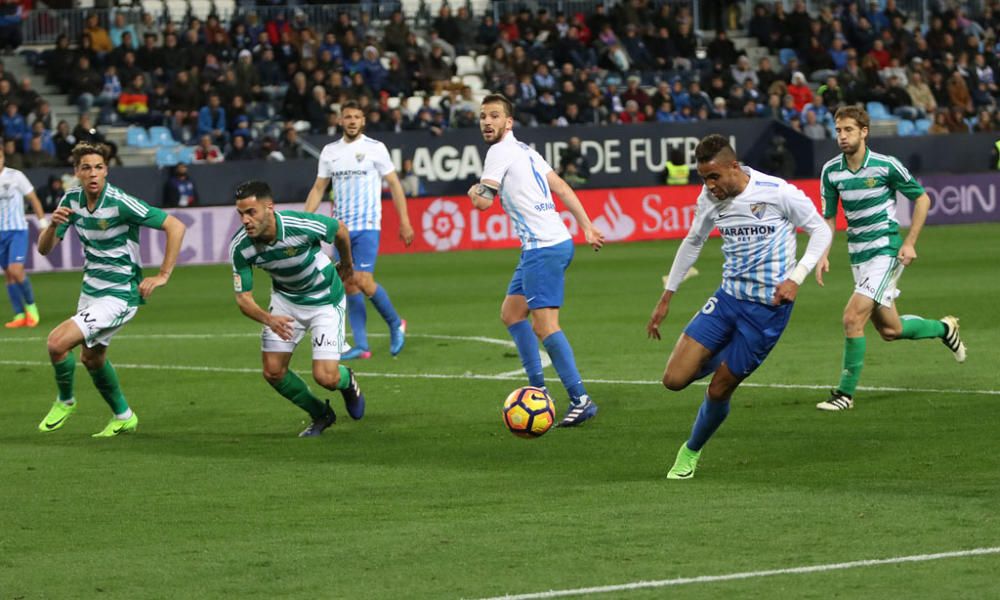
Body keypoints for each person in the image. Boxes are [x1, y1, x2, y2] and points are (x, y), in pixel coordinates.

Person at [646, 134, 832, 479]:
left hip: (766, 311)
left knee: (718, 389)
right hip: (728, 298)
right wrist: (667, 296)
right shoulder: (709, 198)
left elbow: (820, 230)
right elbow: (693, 241)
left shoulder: (777, 191)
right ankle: (722, 353)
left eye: (714, 176)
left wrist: (796, 277)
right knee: (673, 380)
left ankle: (690, 452)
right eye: (703, 178)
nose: (709, 185)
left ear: (735, 167)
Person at [815, 107, 966, 411]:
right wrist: (823, 253)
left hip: (885, 252)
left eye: (848, 130)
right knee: (890, 331)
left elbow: (922, 198)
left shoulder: (886, 166)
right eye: (838, 130)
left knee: (851, 318)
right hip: (858, 257)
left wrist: (909, 242)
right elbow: (829, 218)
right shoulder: (832, 171)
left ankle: (844, 394)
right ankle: (944, 329)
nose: (842, 136)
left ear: (864, 132)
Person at [468, 94, 605, 427]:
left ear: (508, 122)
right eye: (483, 116)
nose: (487, 121)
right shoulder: (525, 149)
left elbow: (483, 202)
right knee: (512, 313)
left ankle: (580, 398)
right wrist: (585, 225)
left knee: (545, 326)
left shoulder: (499, 152)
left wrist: (473, 191)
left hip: (542, 247)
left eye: (495, 116)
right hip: (549, 243)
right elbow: (560, 186)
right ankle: (538, 389)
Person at [36, 142, 186, 437]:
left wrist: (163, 275)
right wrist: (52, 227)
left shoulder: (120, 202)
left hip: (120, 294)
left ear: (106, 170)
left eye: (99, 167)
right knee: (92, 358)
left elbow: (175, 226)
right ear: (76, 172)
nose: (93, 173)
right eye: (87, 168)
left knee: (56, 343)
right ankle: (124, 416)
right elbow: (44, 250)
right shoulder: (71, 199)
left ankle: (65, 401)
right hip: (91, 290)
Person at [230, 180, 365, 437]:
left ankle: (347, 381)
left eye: (251, 212)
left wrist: (347, 263)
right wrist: (269, 319)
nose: (245, 220)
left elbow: (340, 230)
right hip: (285, 302)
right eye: (240, 214)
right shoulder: (241, 247)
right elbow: (243, 299)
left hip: (325, 299)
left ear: (269, 208)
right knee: (273, 372)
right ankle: (321, 414)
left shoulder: (299, 225)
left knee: (326, 378)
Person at [304, 100, 414, 360]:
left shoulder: (375, 149)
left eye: (356, 117)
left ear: (363, 121)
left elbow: (395, 185)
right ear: (340, 121)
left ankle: (396, 323)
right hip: (340, 228)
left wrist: (405, 221)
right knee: (348, 284)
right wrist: (305, 220)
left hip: (367, 225)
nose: (352, 121)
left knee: (363, 280)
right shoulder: (330, 152)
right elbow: (319, 188)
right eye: (347, 117)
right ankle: (362, 346)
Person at [0, 149, 47, 328]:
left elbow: (33, 199)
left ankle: (31, 308)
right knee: (9, 275)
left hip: (17, 230)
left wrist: (43, 223)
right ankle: (19, 314)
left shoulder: (16, 176)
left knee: (16, 269)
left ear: (3, 157)